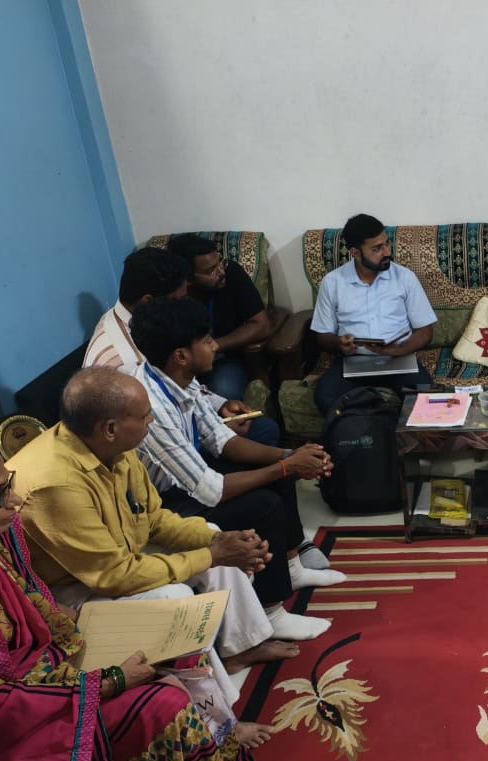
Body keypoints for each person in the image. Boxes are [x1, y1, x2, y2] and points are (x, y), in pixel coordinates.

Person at [0, 443, 274, 761]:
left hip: (47, 664)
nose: (14, 501)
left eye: (7, 485)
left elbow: (34, 599)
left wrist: (84, 627)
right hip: (6, 717)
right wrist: (107, 681)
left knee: (174, 648)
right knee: (162, 702)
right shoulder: (49, 488)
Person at [7, 371, 312, 680]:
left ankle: (242, 647)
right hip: (68, 589)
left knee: (213, 538)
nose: (151, 420)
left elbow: (153, 519)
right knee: (175, 596)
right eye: (144, 416)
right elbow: (113, 576)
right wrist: (211, 555)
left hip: (116, 559)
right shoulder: (56, 485)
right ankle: (212, 699)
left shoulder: (110, 446)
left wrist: (217, 542)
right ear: (110, 428)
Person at [125, 296, 345, 640]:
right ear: (181, 355)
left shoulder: (180, 378)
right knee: (265, 504)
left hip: (191, 477)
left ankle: (292, 567)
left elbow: (220, 440)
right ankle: (271, 612)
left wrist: (291, 455)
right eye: (207, 341)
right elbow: (211, 490)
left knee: (276, 463)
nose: (215, 346)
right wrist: (287, 466)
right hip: (164, 506)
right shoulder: (152, 407)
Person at [84, 246, 282, 449]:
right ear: (148, 302)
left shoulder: (135, 320)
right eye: (178, 301)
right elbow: (154, 433)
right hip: (157, 443)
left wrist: (219, 404)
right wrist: (214, 429)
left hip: (183, 421)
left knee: (263, 428)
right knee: (261, 434)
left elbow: (179, 386)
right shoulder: (124, 364)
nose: (183, 306)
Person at [310, 213, 437, 415]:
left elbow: (425, 331)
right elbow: (322, 336)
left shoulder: (404, 277)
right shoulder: (333, 282)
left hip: (398, 360)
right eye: (376, 249)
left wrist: (397, 350)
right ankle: (363, 430)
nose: (387, 252)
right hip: (353, 361)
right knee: (324, 395)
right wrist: (339, 344)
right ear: (355, 252)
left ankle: (396, 432)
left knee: (424, 396)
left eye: (387, 244)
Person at [166, 234, 274, 402]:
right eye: (210, 271)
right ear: (188, 279)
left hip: (224, 360)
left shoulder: (231, 273)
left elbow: (261, 325)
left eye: (220, 262)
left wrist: (214, 345)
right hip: (182, 364)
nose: (221, 272)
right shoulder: (173, 293)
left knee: (223, 393)